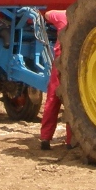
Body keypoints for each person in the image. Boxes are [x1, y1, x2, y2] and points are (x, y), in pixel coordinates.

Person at [39, 9, 72, 150]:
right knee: (72, 101)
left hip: (59, 64)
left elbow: (47, 14)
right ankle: (70, 140)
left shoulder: (63, 16)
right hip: (75, 65)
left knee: (52, 99)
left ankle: (45, 138)